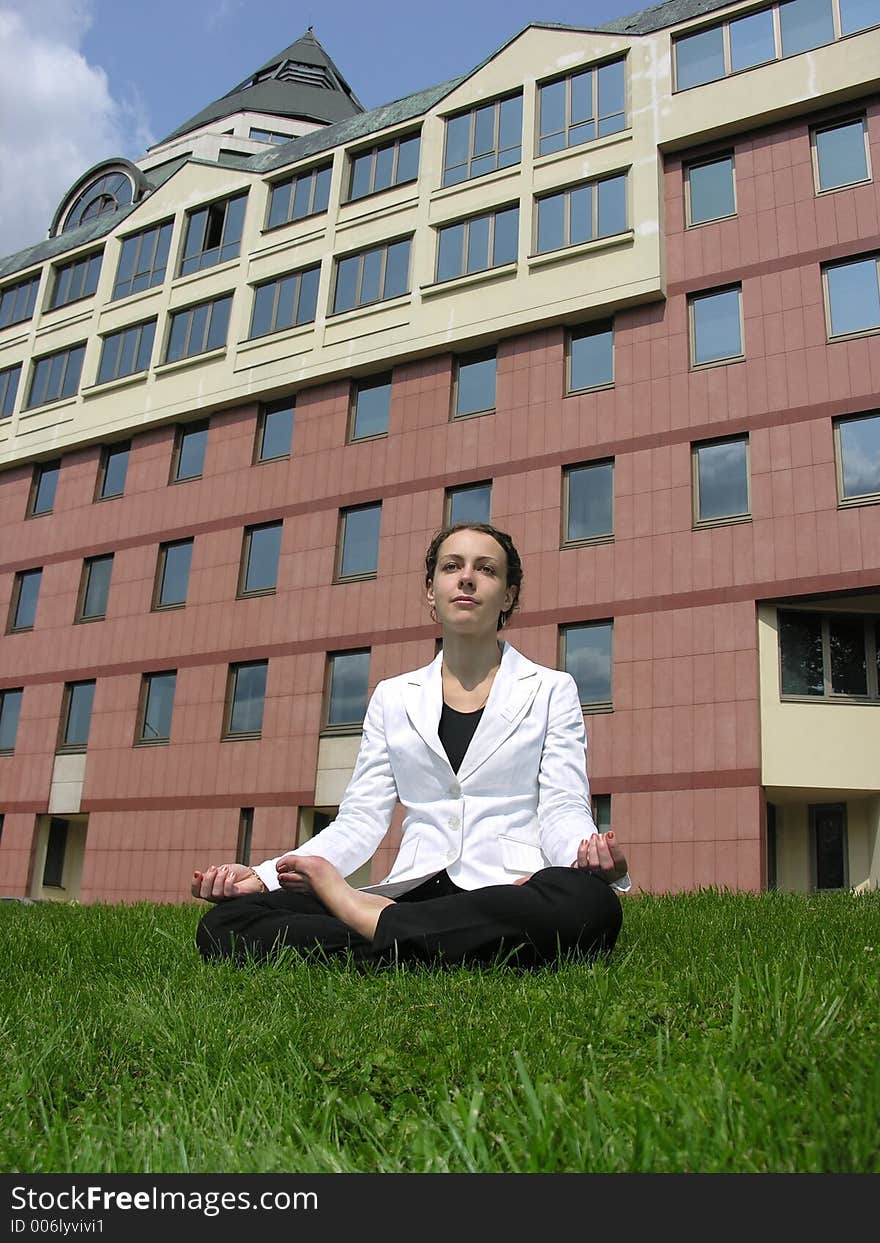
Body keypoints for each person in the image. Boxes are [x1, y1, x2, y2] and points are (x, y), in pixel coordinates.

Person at [194, 522, 630, 968]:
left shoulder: (552, 689)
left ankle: (377, 930)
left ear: (509, 596)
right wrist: (265, 878)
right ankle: (433, 940)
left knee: (589, 903)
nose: (466, 578)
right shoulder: (393, 696)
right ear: (431, 590)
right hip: (416, 891)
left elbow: (562, 805)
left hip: (512, 888)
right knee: (226, 923)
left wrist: (586, 858)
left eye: (486, 569)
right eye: (452, 566)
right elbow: (360, 820)